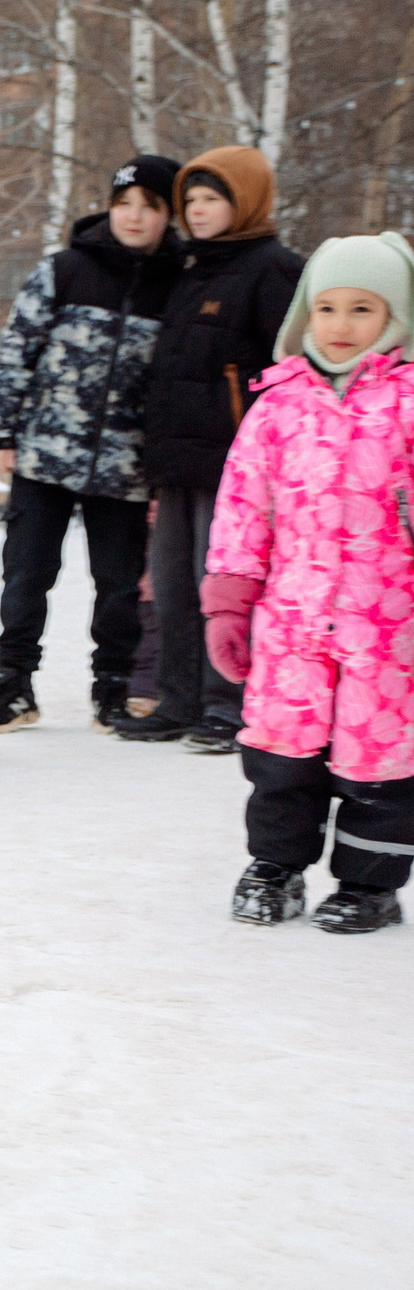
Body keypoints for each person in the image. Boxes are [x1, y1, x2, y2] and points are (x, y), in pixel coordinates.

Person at [206, 232, 414, 934]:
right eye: (326, 308)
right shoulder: (278, 405)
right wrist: (230, 601)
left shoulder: (410, 404)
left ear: (397, 317)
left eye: (363, 309)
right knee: (280, 754)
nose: (341, 325)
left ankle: (368, 883)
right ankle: (275, 866)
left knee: (379, 763)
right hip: (291, 621)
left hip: (388, 627)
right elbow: (243, 506)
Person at [0, 155, 183, 732]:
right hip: (44, 453)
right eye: (125, 204)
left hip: (127, 465)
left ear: (168, 215)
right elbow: (18, 351)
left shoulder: (178, 285)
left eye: (150, 206)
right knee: (25, 577)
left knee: (118, 586)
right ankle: (13, 687)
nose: (135, 217)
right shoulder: (64, 269)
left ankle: (112, 691)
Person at [115, 147, 304, 753]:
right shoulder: (193, 270)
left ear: (243, 201)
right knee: (170, 585)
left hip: (235, 464)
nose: (196, 212)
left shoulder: (273, 268)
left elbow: (290, 367)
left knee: (218, 586)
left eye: (211, 199)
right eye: (189, 201)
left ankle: (228, 704)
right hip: (176, 458)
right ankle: (178, 700)